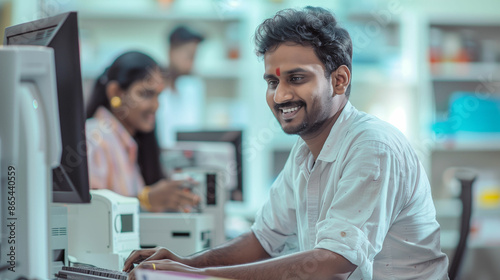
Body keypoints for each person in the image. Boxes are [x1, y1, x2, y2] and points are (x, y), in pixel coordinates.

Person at [123, 7, 449, 280]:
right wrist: (188, 263)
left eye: (296, 78)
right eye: (272, 81)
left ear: (339, 80)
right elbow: (264, 239)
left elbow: (333, 260)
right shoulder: (306, 150)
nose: (280, 96)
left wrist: (199, 277)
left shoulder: (372, 146)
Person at [86, 51, 199, 213]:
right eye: (146, 94)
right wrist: (146, 201)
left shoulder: (129, 143)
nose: (155, 106)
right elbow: (90, 216)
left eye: (158, 96)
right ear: (115, 93)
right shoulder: (94, 138)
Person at [156, 26, 206, 148]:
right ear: (171, 51)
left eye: (195, 57)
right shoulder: (155, 89)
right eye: (189, 56)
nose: (192, 63)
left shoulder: (193, 87)